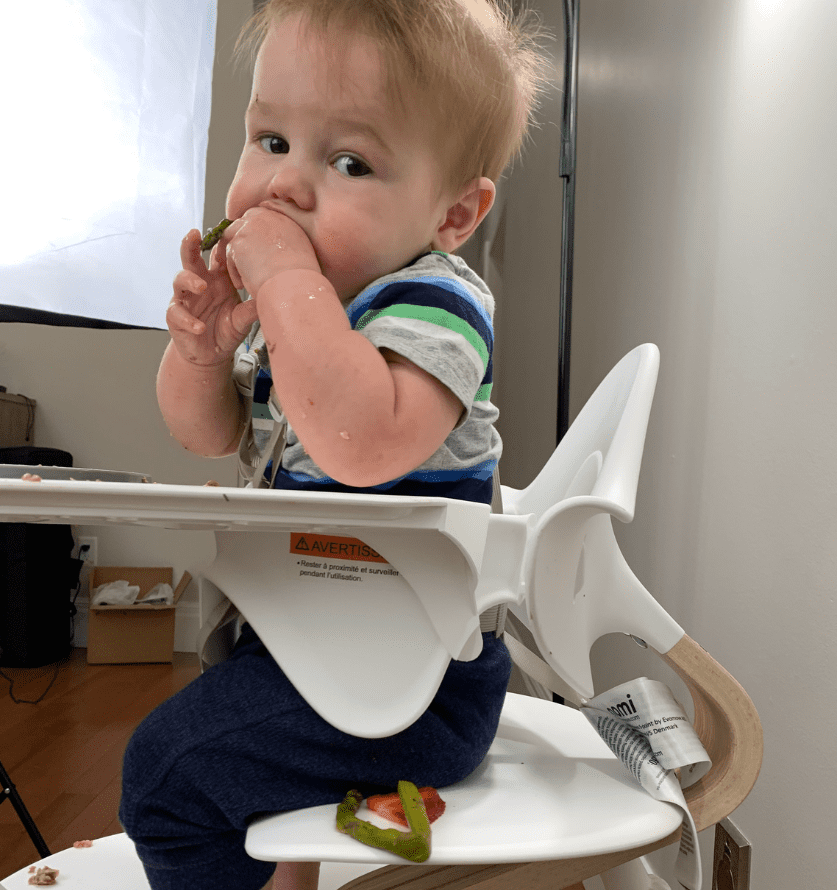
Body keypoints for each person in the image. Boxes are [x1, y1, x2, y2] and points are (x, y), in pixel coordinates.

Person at [120, 2, 548, 889]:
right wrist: (201, 355)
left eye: (350, 161)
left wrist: (283, 283)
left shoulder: (437, 304)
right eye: (270, 139)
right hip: (308, 649)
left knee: (166, 775)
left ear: (455, 212)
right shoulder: (298, 315)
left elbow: (359, 442)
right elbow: (207, 436)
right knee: (257, 803)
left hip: (410, 685)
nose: (285, 187)